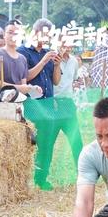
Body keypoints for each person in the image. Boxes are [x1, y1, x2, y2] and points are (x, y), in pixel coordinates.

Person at [17, 18, 63, 190]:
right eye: (43, 35)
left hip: (49, 104)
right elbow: (26, 77)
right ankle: (24, 178)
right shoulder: (23, 52)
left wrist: (57, 65)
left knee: (47, 142)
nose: (45, 39)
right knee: (29, 142)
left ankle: (41, 178)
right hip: (31, 104)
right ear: (34, 32)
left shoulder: (50, 52)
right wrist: (43, 61)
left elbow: (56, 81)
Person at [0, 20, 39, 113]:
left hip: (17, 111)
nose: (13, 36)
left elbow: (23, 86)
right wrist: (18, 87)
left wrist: (32, 88)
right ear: (4, 35)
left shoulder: (23, 59)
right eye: (10, 32)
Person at [52, 44, 83, 170]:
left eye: (69, 45)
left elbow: (74, 78)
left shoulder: (74, 61)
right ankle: (41, 178)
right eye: (64, 44)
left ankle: (82, 171)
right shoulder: (52, 58)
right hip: (53, 103)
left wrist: (76, 83)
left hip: (68, 103)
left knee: (76, 140)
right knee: (49, 141)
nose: (67, 47)